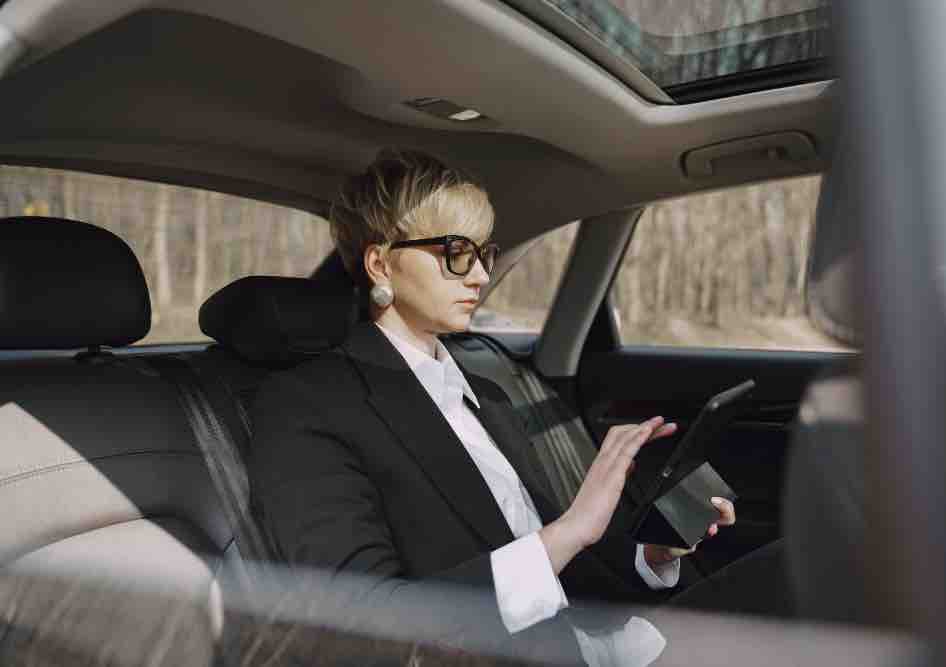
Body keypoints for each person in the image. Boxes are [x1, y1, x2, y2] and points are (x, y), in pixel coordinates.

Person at [248, 149, 738, 666]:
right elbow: (363, 622)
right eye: (457, 251)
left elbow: (547, 560)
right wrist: (568, 530)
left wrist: (653, 554)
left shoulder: (486, 395)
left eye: (484, 253)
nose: (480, 275)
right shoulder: (308, 406)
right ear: (380, 262)